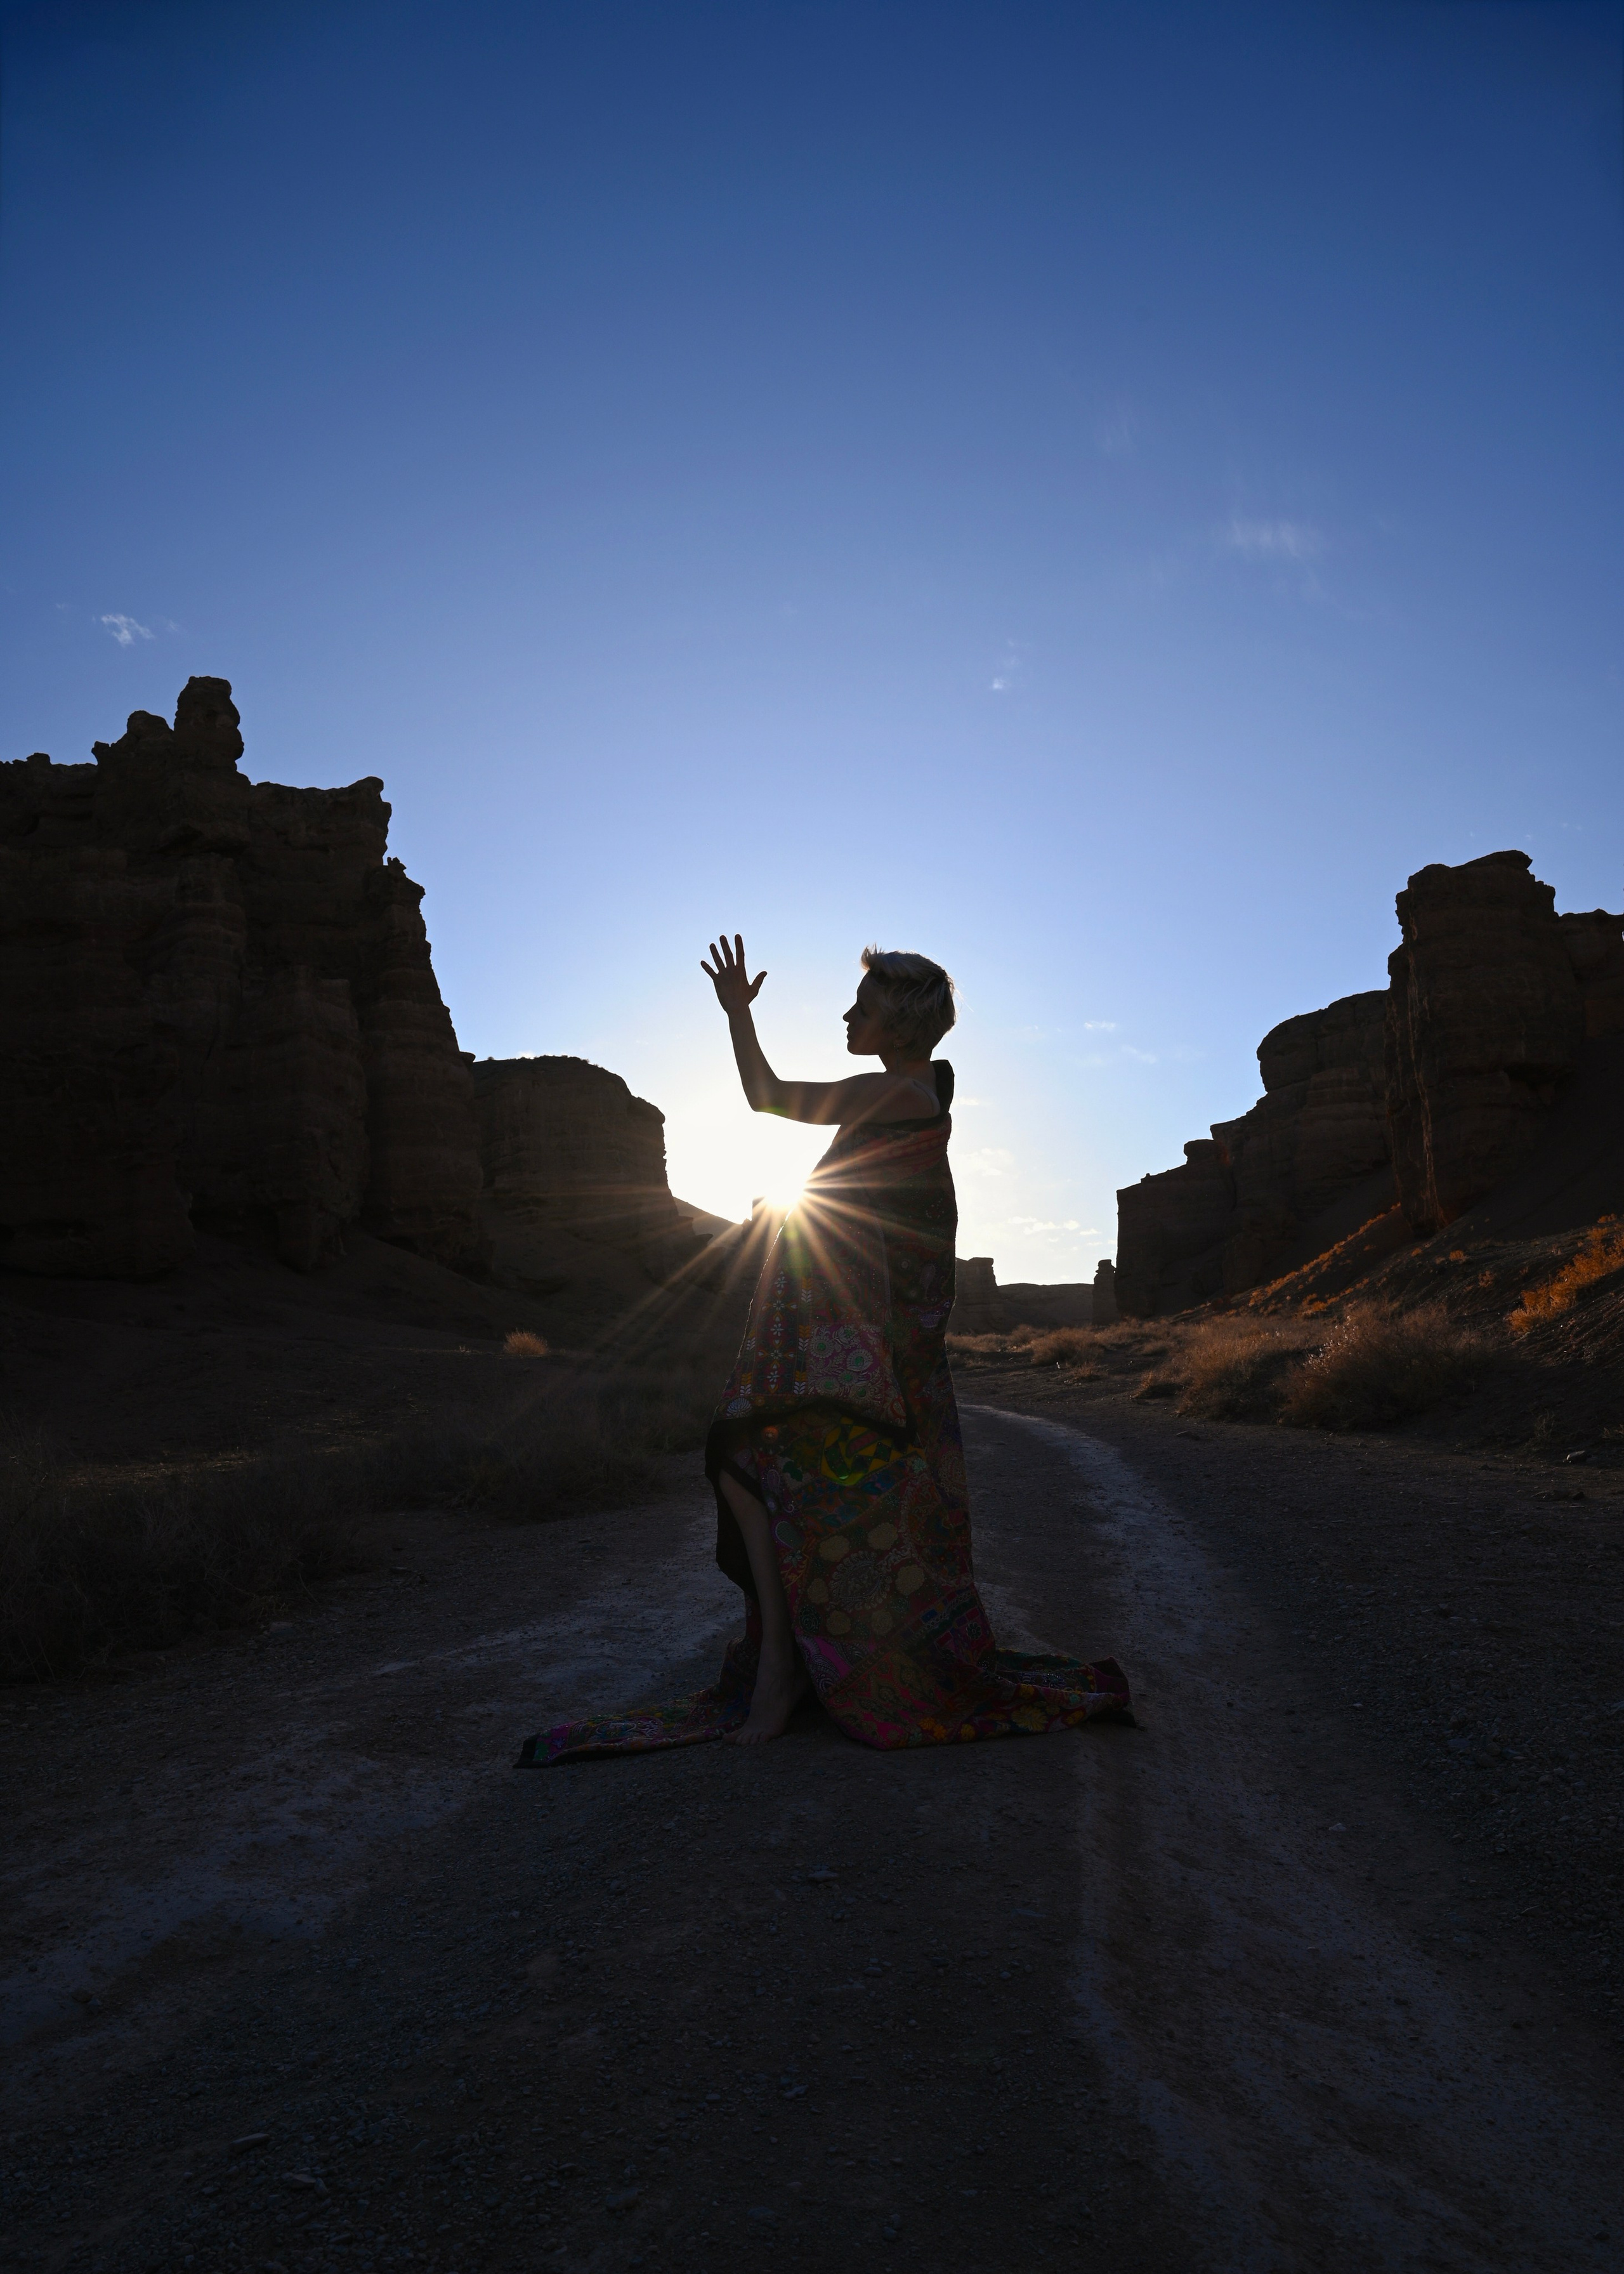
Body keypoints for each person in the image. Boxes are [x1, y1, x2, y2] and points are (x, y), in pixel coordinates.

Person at [520, 938, 1129, 1764]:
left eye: (863, 1008)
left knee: (751, 1457)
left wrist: (739, 1016)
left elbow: (768, 1097)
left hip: (863, 1348)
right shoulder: (923, 1089)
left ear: (900, 1022)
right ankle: (796, 1658)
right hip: (861, 1341)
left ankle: (782, 1669)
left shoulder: (897, 1095)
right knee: (769, 1468)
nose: (848, 1016)